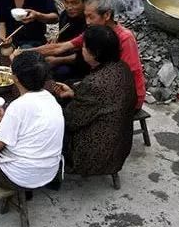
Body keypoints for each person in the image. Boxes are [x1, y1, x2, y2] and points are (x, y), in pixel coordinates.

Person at [0, 51, 64, 214]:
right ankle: (26, 190)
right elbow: (30, 127)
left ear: (14, 78)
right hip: (49, 171)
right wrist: (5, 120)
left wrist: (4, 124)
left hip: (19, 176)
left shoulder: (18, 106)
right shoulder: (51, 99)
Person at [32, 0, 146, 109]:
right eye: (86, 17)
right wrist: (26, 52)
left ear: (107, 15)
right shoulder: (94, 32)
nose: (87, 22)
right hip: (104, 85)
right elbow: (60, 47)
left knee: (69, 105)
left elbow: (127, 76)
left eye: (91, 17)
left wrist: (84, 92)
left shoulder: (125, 38)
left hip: (127, 96)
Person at [54, 25, 136, 176]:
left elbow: (71, 121)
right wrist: (75, 93)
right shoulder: (122, 68)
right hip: (120, 148)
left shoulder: (94, 84)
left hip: (95, 156)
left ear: (95, 53)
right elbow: (105, 99)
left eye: (84, 47)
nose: (82, 50)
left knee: (51, 124)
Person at [32, 0, 90, 80]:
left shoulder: (89, 21)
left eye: (74, 3)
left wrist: (57, 60)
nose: (69, 7)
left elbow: (84, 57)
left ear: (85, 1)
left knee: (60, 72)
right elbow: (61, 40)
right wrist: (55, 40)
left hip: (82, 62)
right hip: (63, 52)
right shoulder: (64, 15)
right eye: (66, 2)